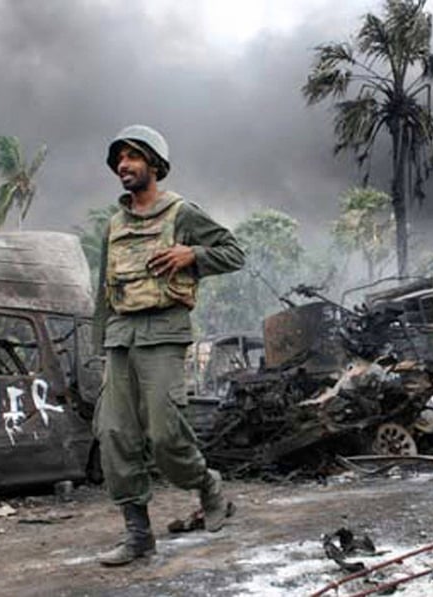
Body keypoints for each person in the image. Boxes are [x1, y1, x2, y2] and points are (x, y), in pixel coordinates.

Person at [92, 124, 245, 566]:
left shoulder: (181, 213)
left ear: (154, 165)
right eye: (119, 158)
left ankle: (207, 484)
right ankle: (138, 535)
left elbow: (234, 252)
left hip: (162, 333)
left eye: (133, 157)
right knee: (114, 434)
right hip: (120, 338)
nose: (124, 165)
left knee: (164, 435)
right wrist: (96, 347)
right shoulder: (113, 226)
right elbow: (102, 289)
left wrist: (191, 255)